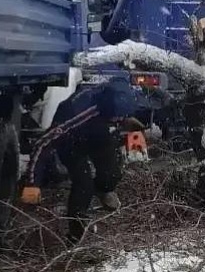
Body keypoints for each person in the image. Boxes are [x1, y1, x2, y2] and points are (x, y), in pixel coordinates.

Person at [21, 78, 147, 243]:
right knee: (83, 186)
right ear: (107, 108)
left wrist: (124, 120)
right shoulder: (76, 114)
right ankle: (75, 236)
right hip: (71, 144)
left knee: (112, 174)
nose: (118, 119)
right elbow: (42, 144)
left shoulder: (114, 95)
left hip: (97, 135)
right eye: (117, 116)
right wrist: (32, 183)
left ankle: (103, 189)